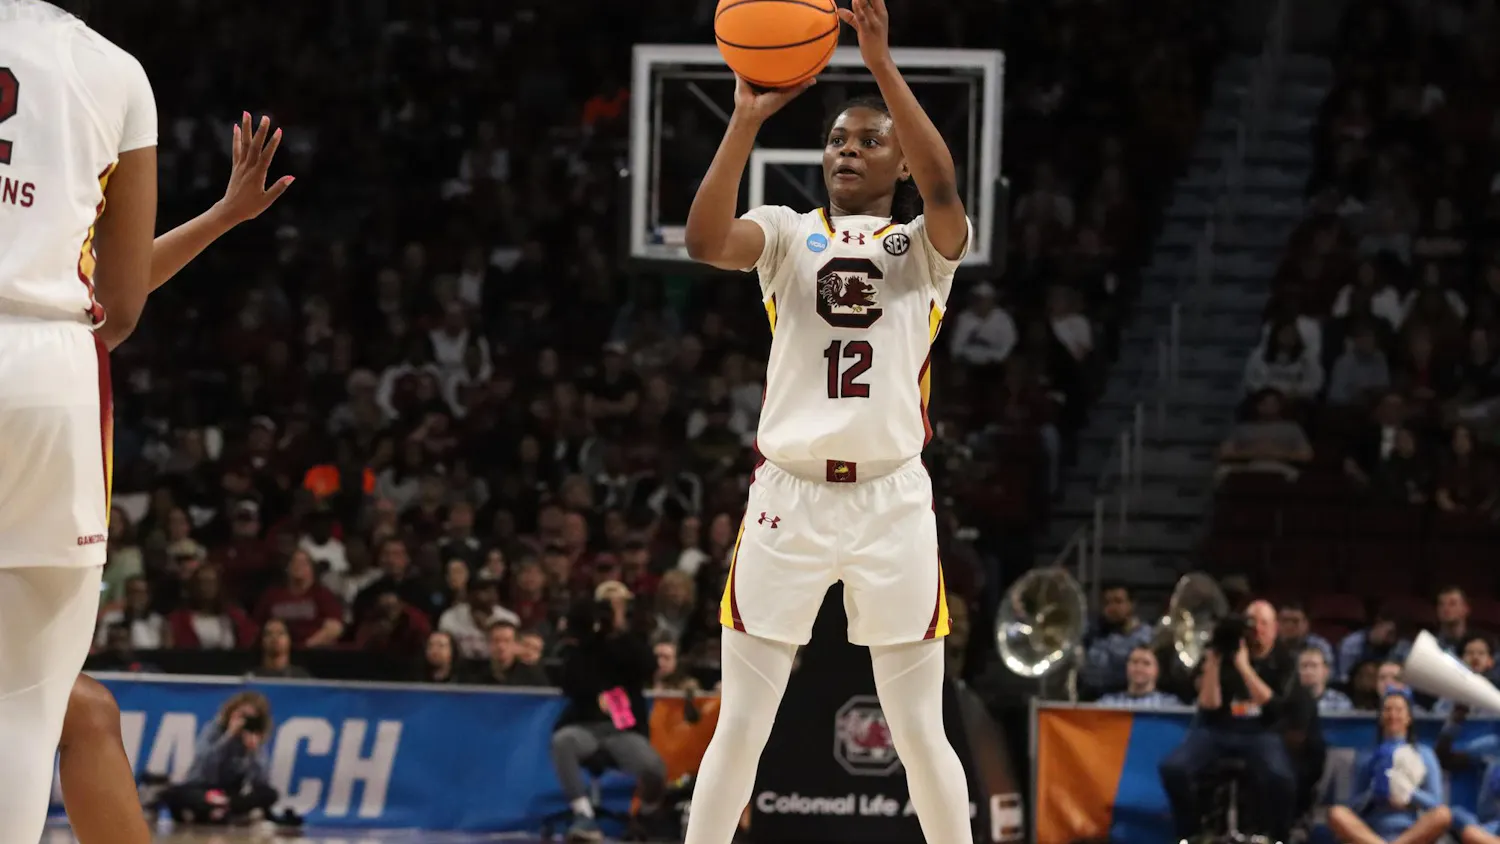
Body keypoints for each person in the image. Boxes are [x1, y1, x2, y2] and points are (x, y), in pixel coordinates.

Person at [679, 2, 973, 843]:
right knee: (743, 724)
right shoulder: (783, 232)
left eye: (868, 140)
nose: (848, 149)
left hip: (890, 502)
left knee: (919, 731)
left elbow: (945, 185)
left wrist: (882, 65)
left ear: (900, 164)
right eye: (838, 139)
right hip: (789, 499)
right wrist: (741, 120)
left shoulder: (925, 248)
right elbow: (703, 240)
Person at [0, 0, 287, 833]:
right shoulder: (118, 72)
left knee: (67, 706)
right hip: (52, 378)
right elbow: (115, 309)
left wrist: (223, 218)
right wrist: (225, 217)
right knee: (32, 701)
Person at [1157, 600, 1302, 841]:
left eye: (1264, 623)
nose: (1257, 629)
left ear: (1274, 628)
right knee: (1173, 769)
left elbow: (1273, 706)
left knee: (1282, 778)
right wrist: (1214, 659)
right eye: (1252, 622)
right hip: (1217, 730)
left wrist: (1243, 666)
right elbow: (1209, 704)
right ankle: (1190, 832)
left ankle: (1280, 836)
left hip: (1262, 732)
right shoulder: (1224, 653)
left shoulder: (1284, 660)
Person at [551, 582, 668, 841]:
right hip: (586, 727)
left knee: (654, 769)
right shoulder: (582, 643)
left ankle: (645, 818)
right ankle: (584, 817)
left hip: (623, 730)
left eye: (618, 604)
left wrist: (620, 632)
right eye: (606, 604)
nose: (612, 610)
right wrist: (590, 638)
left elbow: (647, 667)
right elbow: (569, 682)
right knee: (563, 741)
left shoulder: (634, 640)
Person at [1327, 690, 1450, 844]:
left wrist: (1409, 793)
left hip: (1412, 831)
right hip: (1372, 832)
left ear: (1408, 717)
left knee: (1443, 814)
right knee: (1336, 813)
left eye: (1399, 710)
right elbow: (1353, 806)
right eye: (1387, 710)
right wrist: (1373, 793)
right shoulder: (1367, 755)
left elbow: (1436, 803)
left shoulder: (1424, 754)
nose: (1393, 716)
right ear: (1380, 717)